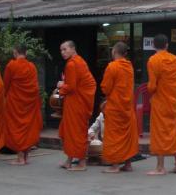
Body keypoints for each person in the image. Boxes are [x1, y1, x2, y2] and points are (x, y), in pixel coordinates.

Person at [146, 34, 176, 176]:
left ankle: (160, 167)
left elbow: (151, 86)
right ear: (167, 45)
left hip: (161, 102)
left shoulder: (153, 60)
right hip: (173, 102)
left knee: (160, 132)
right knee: (173, 132)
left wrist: (151, 92)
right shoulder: (174, 59)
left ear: (153, 45)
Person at [58, 40, 97, 171]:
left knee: (76, 132)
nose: (63, 52)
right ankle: (69, 160)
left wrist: (60, 86)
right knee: (70, 131)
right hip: (77, 101)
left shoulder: (72, 64)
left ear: (73, 49)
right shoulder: (80, 61)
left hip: (76, 102)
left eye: (65, 49)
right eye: (61, 50)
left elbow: (71, 87)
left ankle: (82, 163)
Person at [100, 42, 139, 173]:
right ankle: (128, 164)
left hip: (116, 107)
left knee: (114, 136)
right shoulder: (129, 66)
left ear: (114, 51)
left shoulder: (112, 67)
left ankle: (115, 165)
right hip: (127, 106)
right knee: (126, 136)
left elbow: (106, 88)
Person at [3, 44, 42, 166]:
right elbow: (35, 87)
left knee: (17, 127)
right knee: (28, 128)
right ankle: (26, 157)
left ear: (15, 52)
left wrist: (4, 97)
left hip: (15, 103)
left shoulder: (12, 65)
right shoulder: (32, 67)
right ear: (26, 53)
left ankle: (20, 158)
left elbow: (6, 84)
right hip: (29, 103)